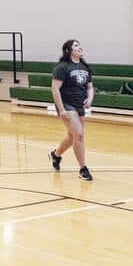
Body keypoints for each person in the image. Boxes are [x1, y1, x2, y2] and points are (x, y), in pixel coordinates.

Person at [49, 38, 94, 181]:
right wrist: (61, 109)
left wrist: (90, 99)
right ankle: (83, 169)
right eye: (76, 46)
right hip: (66, 105)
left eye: (80, 45)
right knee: (79, 135)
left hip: (79, 105)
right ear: (69, 51)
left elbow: (90, 87)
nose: (80, 48)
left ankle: (55, 155)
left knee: (72, 137)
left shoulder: (85, 66)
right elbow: (55, 88)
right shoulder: (62, 67)